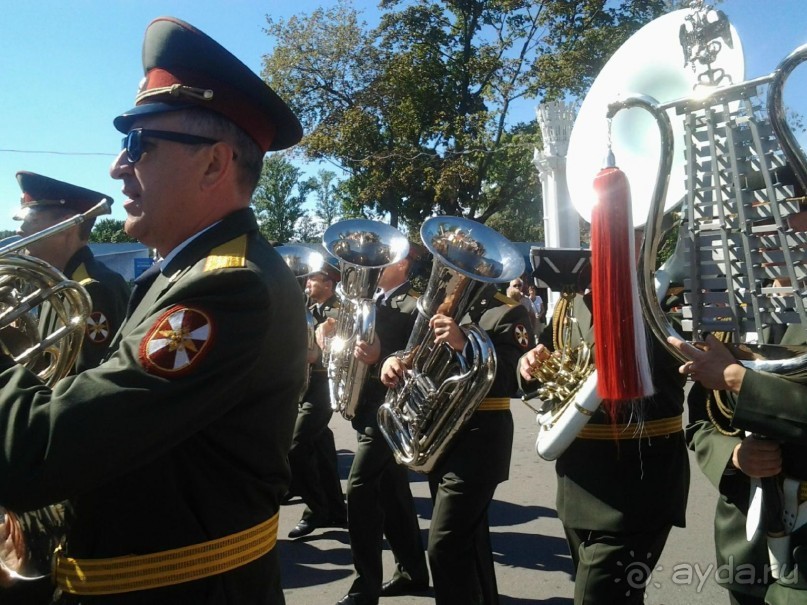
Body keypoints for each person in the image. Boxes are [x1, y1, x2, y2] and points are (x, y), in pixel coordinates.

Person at [0, 16, 308, 604]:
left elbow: (47, 447)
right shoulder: (191, 271)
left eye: (138, 144)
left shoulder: (228, 286)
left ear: (215, 164)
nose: (118, 169)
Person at [0, 173, 130, 605]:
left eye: (32, 215)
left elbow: (76, 385)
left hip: (60, 469)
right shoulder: (38, 283)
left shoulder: (94, 289)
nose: (19, 225)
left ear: (70, 223)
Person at [518, 291, 689, 605]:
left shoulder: (662, 300)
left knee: (596, 597)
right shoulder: (571, 305)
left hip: (637, 483)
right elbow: (550, 365)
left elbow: (681, 360)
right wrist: (529, 364)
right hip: (578, 480)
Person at [381, 288, 532, 605]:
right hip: (439, 437)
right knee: (469, 539)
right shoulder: (439, 305)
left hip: (480, 440)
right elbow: (413, 353)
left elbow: (515, 378)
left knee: (444, 545)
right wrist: (393, 361)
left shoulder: (507, 313)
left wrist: (464, 344)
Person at [320, 251, 429, 605]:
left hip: (393, 412)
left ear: (403, 265)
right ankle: (412, 571)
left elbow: (423, 362)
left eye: (386, 261)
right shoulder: (363, 303)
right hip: (366, 409)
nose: (375, 268)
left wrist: (381, 358)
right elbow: (344, 347)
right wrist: (329, 337)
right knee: (392, 491)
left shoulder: (416, 306)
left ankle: (365, 585)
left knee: (362, 489)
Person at [671, 332, 807, 603]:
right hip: (746, 541)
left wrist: (739, 381)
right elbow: (702, 421)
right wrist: (733, 457)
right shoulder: (730, 323)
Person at [14, 172, 130, 372]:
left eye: (32, 220)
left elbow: (80, 385)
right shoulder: (56, 283)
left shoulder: (91, 290)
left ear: (65, 226)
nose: (20, 230)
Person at [287, 261, 347, 539]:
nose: (308, 283)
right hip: (306, 387)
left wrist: (321, 352)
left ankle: (315, 510)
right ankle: (336, 509)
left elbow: (348, 350)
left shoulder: (342, 312)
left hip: (325, 386)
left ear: (329, 283)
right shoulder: (307, 310)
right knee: (322, 450)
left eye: (314, 279)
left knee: (295, 447)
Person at [507, 278, 537, 344]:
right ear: (510, 287)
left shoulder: (527, 300)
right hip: (511, 332)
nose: (517, 287)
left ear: (522, 286)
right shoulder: (506, 300)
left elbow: (532, 315)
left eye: (519, 285)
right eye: (515, 285)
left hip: (525, 331)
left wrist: (533, 330)